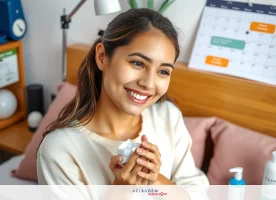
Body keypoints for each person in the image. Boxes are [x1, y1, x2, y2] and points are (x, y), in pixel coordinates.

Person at [37, 8, 209, 186]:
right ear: (102, 57)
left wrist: (154, 179)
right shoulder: (59, 150)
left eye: (163, 71)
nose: (149, 84)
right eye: (137, 63)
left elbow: (195, 192)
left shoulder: (168, 117)